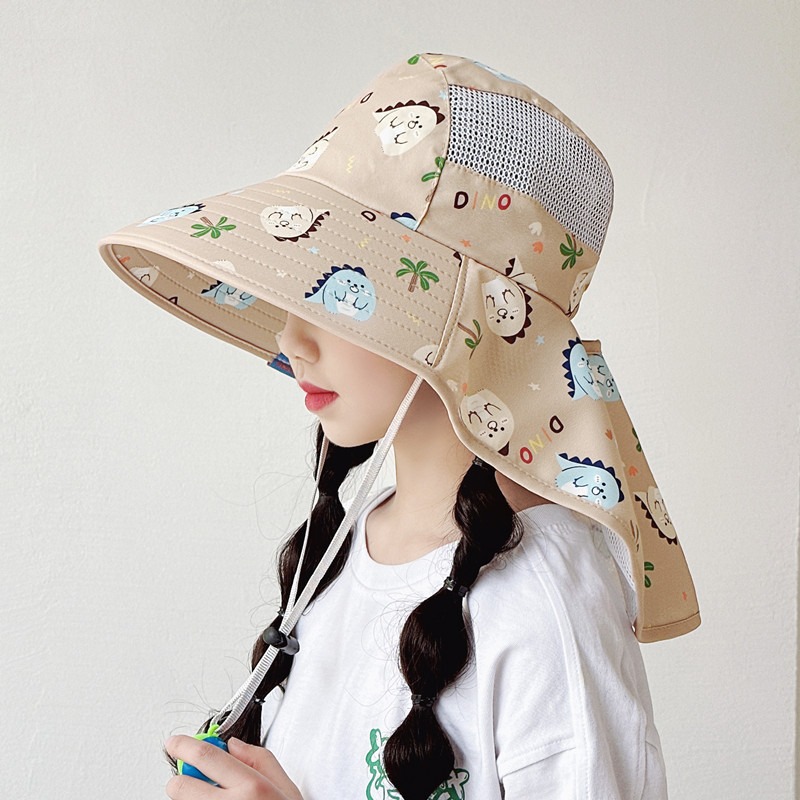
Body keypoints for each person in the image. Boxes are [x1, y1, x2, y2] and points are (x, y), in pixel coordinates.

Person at [98, 51, 701, 799]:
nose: (291, 337)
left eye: (337, 286)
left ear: (466, 323)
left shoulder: (546, 603)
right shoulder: (348, 549)